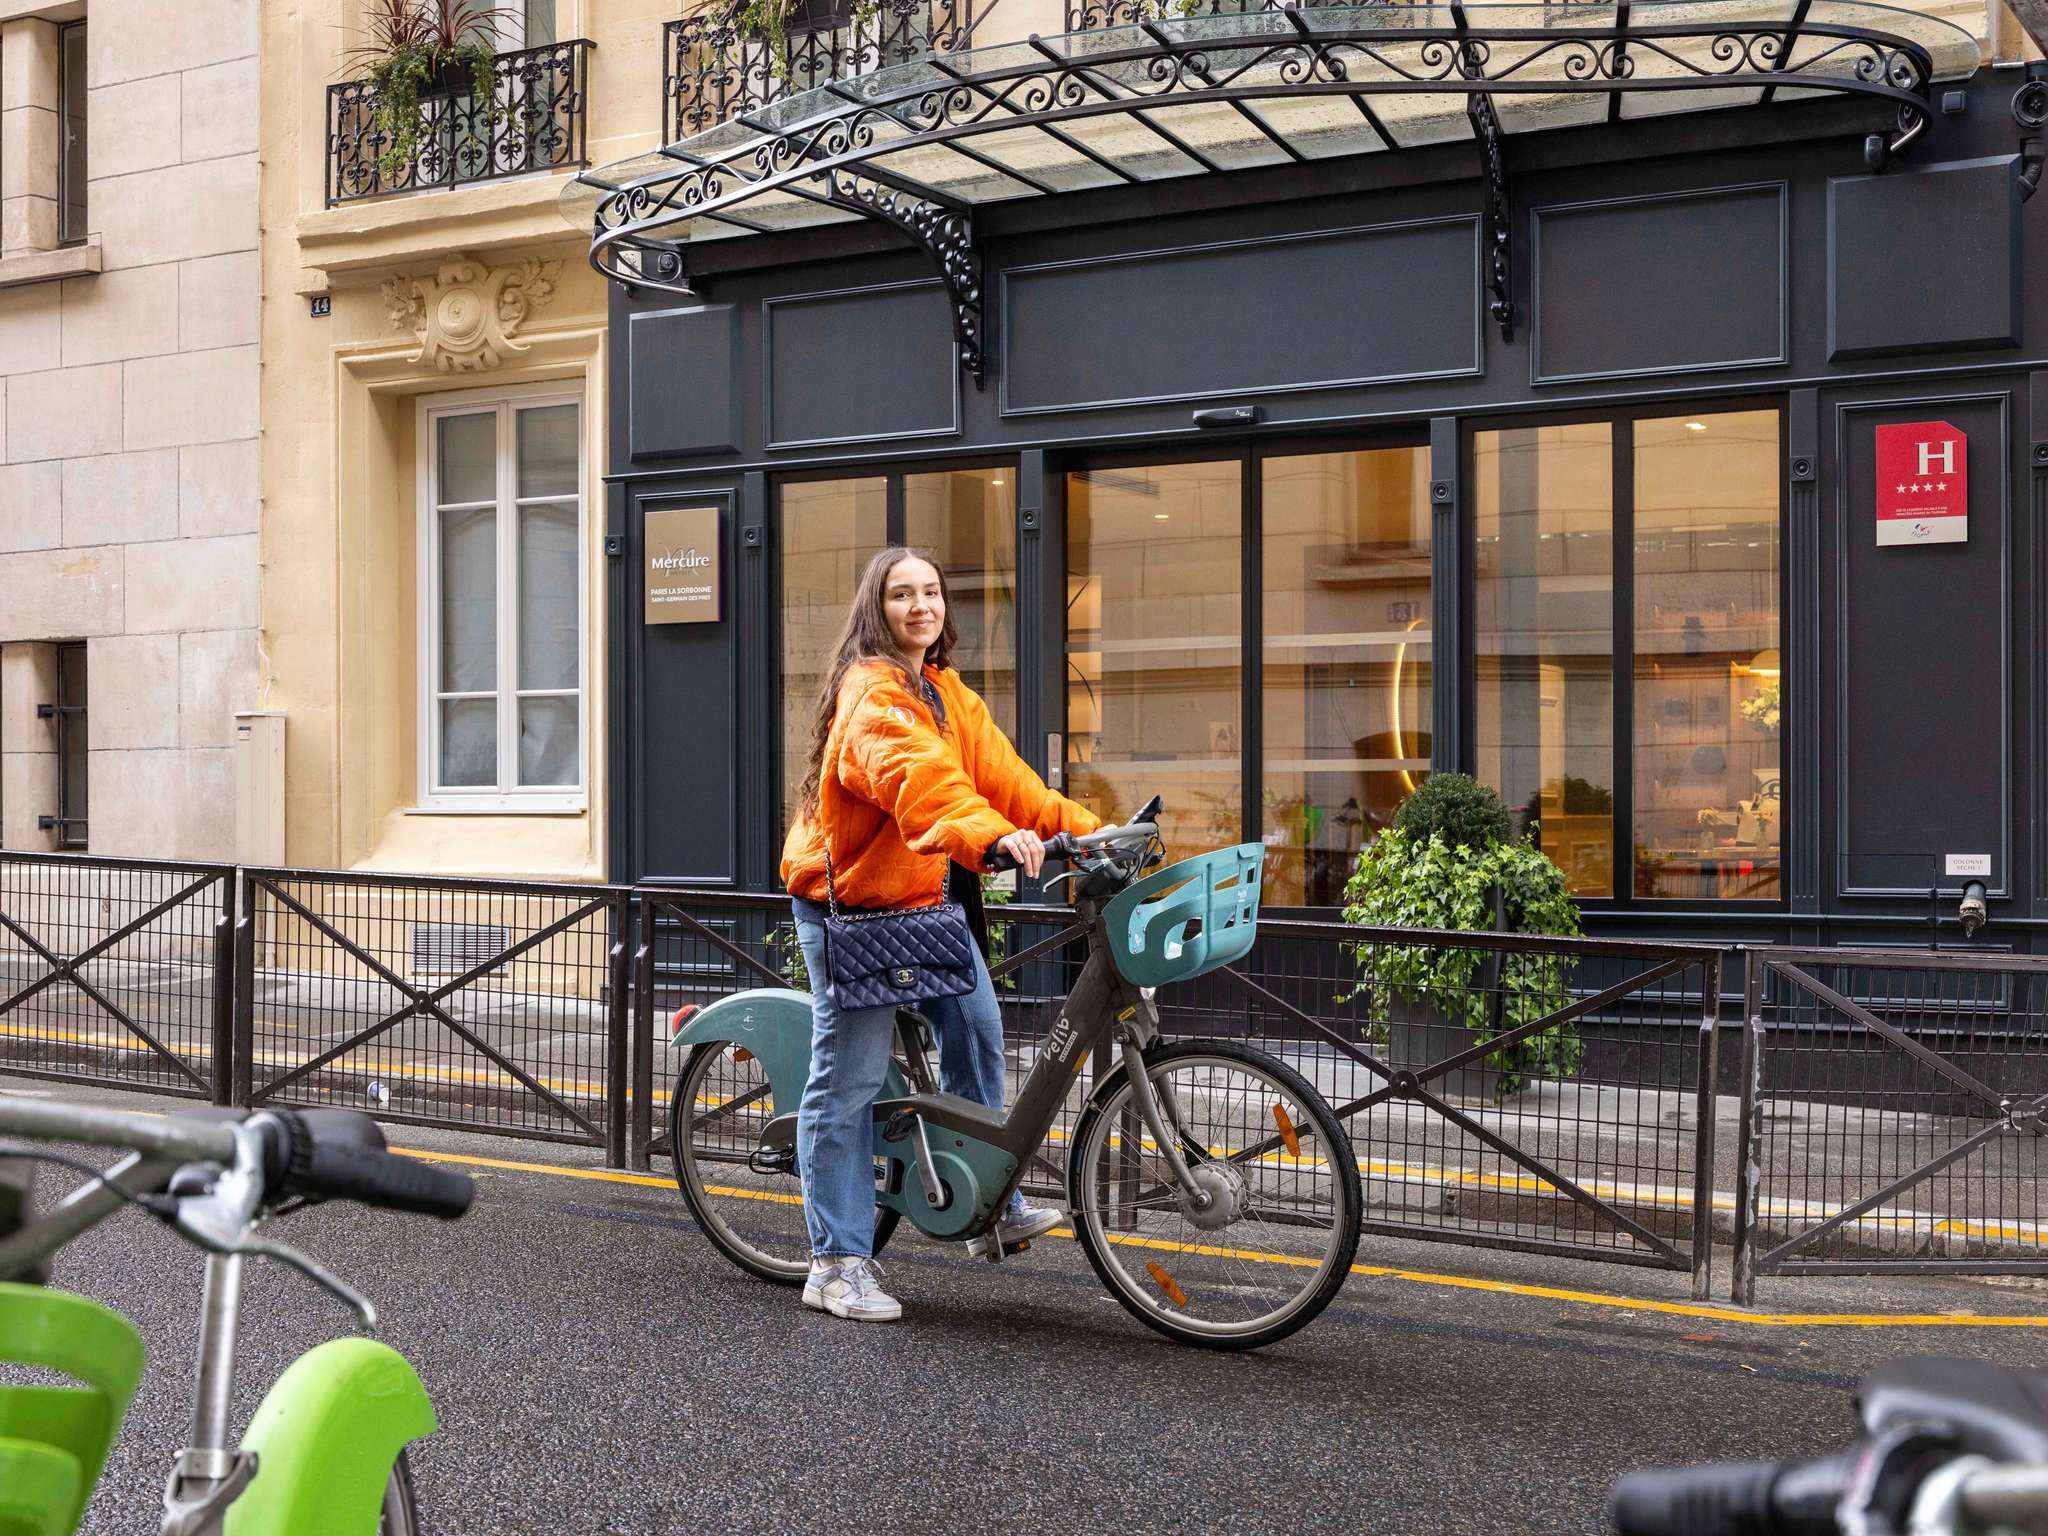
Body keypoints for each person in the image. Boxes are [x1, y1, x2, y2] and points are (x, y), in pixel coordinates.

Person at [781, 546, 1100, 1323]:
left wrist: (1093, 833)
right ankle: (836, 1263)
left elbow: (1010, 781)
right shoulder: (873, 697)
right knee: (849, 1080)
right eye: (901, 595)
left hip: (923, 900)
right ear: (876, 609)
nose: (920, 606)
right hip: (850, 909)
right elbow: (918, 779)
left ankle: (987, 1196)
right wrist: (988, 837)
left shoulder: (946, 691)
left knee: (981, 1032)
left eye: (931, 592)